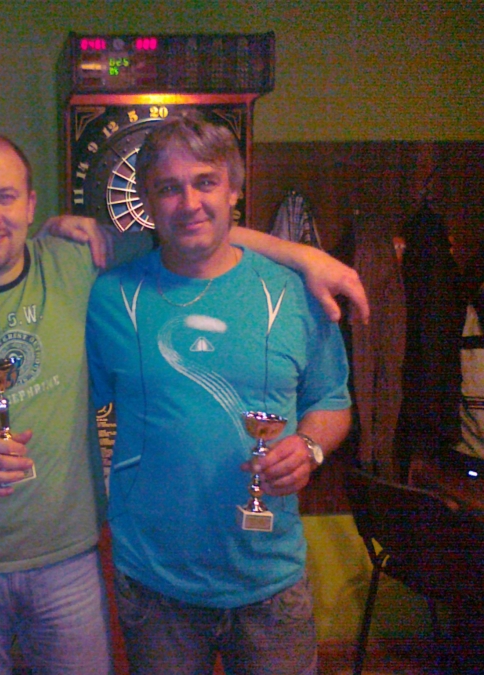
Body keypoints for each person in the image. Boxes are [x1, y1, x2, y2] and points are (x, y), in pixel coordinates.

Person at [0, 130, 366, 674]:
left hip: (216, 573)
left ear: (30, 204)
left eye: (5, 196)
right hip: (80, 576)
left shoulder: (289, 292)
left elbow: (330, 399)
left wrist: (306, 259)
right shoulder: (93, 287)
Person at [85, 111, 353, 674]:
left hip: (270, 581)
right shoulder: (111, 297)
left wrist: (308, 448)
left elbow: (332, 402)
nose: (189, 202)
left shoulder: (296, 293)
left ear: (234, 189)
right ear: (148, 202)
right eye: (168, 188)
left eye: (205, 182)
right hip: (156, 584)